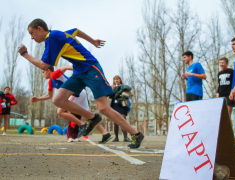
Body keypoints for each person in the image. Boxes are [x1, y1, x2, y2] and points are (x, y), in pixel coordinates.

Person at [18, 18, 143, 148]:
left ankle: (136, 134)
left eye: (32, 33)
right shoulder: (58, 34)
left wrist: (25, 54)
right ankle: (92, 118)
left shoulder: (52, 37)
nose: (32, 37)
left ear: (39, 28)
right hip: (78, 72)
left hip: (90, 68)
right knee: (58, 100)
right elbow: (76, 31)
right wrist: (93, 41)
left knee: (103, 108)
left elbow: (44, 65)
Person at [30, 65, 112, 143]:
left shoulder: (55, 75)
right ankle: (105, 133)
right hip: (81, 92)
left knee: (60, 111)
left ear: (48, 71)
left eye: (43, 72)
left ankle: (82, 125)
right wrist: (37, 99)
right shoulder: (51, 82)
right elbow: (49, 95)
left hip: (75, 93)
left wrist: (81, 70)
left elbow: (65, 67)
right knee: (88, 117)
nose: (42, 74)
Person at [110, 75, 131, 142]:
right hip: (115, 105)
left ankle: (125, 137)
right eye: (115, 79)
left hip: (122, 105)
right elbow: (110, 97)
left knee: (123, 119)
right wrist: (112, 90)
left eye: (117, 79)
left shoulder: (123, 87)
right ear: (114, 81)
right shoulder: (112, 87)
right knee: (116, 122)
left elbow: (129, 92)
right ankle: (116, 137)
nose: (116, 80)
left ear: (120, 80)